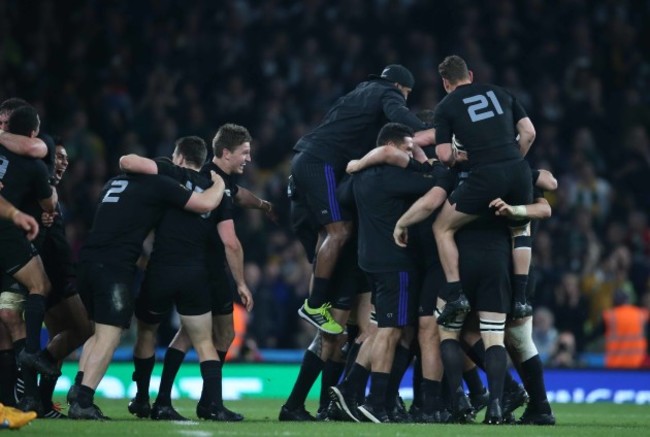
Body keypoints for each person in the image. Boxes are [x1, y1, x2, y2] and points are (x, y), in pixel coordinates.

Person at [66, 157, 226, 420]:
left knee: (97, 332)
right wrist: (218, 181)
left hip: (87, 262)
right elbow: (205, 203)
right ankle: (83, 400)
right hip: (114, 269)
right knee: (110, 335)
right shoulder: (158, 185)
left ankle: (78, 388)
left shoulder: (112, 184)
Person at [120, 135, 253, 422]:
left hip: (160, 270)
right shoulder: (216, 189)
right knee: (203, 340)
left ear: (178, 157)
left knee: (146, 333)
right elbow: (230, 238)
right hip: (196, 273)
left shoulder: (168, 175)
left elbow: (128, 163)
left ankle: (145, 399)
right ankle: (212, 404)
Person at [291, 65, 428, 334]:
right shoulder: (389, 92)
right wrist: (430, 130)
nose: (406, 97)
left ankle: (321, 297)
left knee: (327, 232)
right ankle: (315, 304)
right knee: (340, 231)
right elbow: (399, 116)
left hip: (307, 158)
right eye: (407, 92)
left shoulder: (360, 92)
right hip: (322, 163)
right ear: (399, 86)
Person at [329, 123, 451, 423]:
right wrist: (424, 162)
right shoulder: (397, 177)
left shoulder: (357, 179)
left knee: (382, 328)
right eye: (407, 149)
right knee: (391, 331)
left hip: (368, 261)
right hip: (396, 262)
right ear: (394, 148)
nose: (410, 154)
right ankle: (375, 402)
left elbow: (343, 197)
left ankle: (352, 388)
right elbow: (436, 185)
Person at [428, 55, 535, 326]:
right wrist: (514, 161)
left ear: (445, 83)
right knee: (520, 227)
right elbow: (529, 132)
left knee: (442, 227)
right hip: (518, 169)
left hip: (485, 175)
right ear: (470, 75)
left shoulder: (446, 106)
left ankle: (455, 293)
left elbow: (443, 155)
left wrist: (458, 158)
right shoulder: (502, 92)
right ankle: (521, 298)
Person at [0, 106, 59, 389]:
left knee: (7, 317)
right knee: (40, 285)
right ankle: (32, 353)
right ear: (33, 131)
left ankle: (13, 399)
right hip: (11, 236)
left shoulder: (31, 148)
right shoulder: (34, 164)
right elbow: (50, 204)